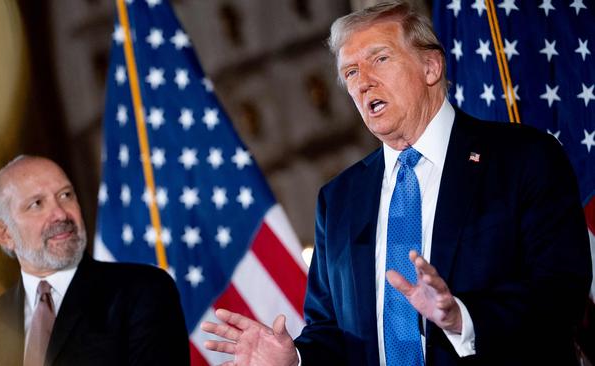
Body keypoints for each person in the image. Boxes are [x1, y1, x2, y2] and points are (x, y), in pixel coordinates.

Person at [201, 1, 592, 365]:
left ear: (430, 67)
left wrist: (462, 318)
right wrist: (296, 359)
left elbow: (562, 291)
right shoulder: (339, 199)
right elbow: (334, 334)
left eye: (380, 59)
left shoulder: (521, 158)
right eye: (351, 72)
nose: (363, 82)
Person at [0, 155, 190, 366]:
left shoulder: (142, 290)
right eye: (37, 204)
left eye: (65, 195)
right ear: (5, 234)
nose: (60, 214)